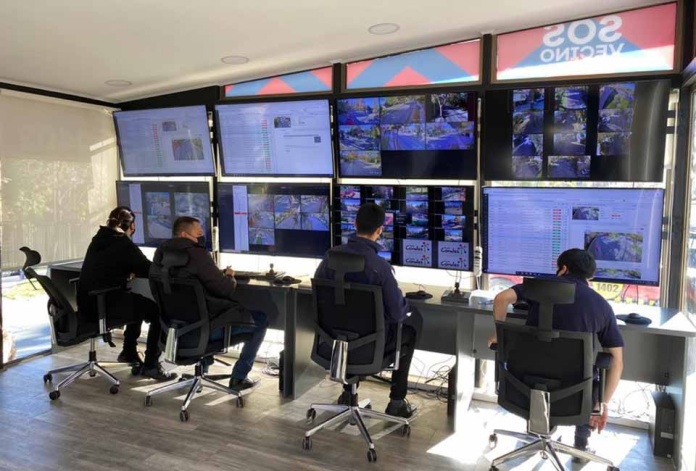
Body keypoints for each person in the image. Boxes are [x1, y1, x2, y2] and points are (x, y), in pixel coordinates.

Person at [488, 248, 624, 456]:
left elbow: (501, 298)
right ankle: (581, 442)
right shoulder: (601, 305)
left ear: (563, 269)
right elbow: (616, 362)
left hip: (523, 386)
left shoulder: (537, 287)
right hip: (575, 397)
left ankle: (535, 430)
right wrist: (602, 403)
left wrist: (499, 334)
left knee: (539, 361)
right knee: (589, 372)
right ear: (590, 276)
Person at [314, 203, 421, 419]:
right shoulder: (380, 268)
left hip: (333, 345)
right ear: (379, 230)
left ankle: (348, 393)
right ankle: (397, 402)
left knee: (348, 320)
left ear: (355, 224)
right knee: (412, 326)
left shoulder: (328, 258)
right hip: (368, 350)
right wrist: (407, 305)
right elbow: (397, 314)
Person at [151, 216, 268, 392]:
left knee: (204, 313)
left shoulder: (160, 254)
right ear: (184, 234)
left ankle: (203, 369)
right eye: (198, 234)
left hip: (174, 332)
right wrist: (229, 276)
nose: (201, 237)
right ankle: (239, 377)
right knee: (261, 320)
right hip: (204, 331)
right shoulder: (197, 254)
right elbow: (225, 289)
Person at [77, 206, 174, 380]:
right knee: (157, 312)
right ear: (132, 226)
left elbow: (112, 264)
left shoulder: (99, 238)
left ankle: (129, 352)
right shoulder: (122, 242)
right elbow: (148, 269)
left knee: (136, 303)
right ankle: (151, 365)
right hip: (107, 304)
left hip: (87, 303)